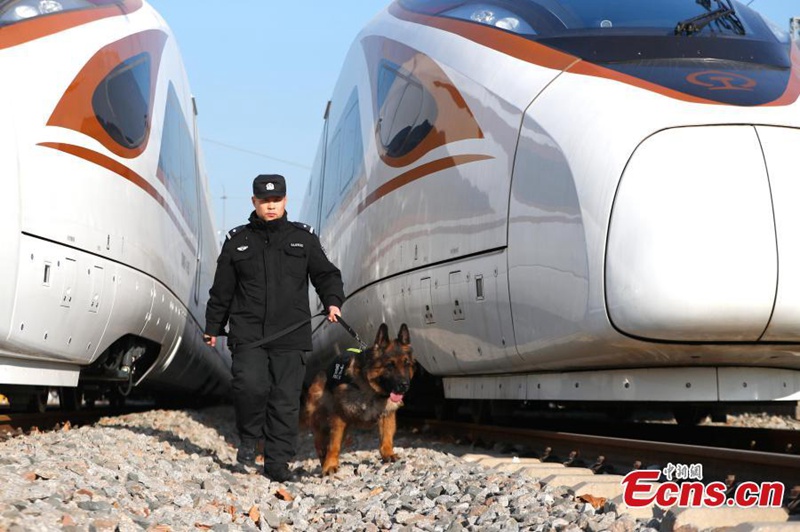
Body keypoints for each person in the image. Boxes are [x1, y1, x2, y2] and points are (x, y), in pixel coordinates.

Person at [204, 173, 344, 482]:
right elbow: (222, 290)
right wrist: (213, 326)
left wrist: (332, 301)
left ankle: (278, 464)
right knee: (250, 387)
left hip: (291, 334)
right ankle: (249, 438)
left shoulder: (303, 239)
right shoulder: (237, 242)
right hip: (248, 333)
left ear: (285, 201)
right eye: (264, 201)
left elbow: (326, 275)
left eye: (276, 200)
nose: (271, 206)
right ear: (254, 202)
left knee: (284, 400)